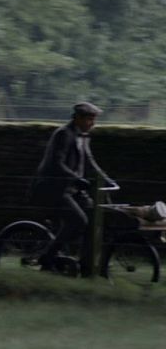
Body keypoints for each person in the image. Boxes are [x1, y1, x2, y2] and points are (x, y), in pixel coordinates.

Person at [30, 102, 115, 270]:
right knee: (78, 221)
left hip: (73, 190)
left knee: (94, 218)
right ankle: (48, 257)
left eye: (94, 119)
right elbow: (56, 163)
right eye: (89, 119)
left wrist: (106, 179)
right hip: (53, 189)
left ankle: (86, 265)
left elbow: (90, 162)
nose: (92, 123)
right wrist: (77, 178)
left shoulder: (83, 137)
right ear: (77, 118)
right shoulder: (63, 134)